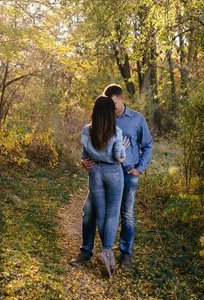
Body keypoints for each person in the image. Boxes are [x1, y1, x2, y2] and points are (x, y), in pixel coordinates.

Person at [70, 84, 153, 271]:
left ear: (121, 99)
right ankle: (86, 252)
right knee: (89, 211)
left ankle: (125, 256)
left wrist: (140, 168)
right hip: (103, 170)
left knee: (127, 214)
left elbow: (147, 145)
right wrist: (84, 162)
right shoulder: (102, 119)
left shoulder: (137, 119)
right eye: (109, 105)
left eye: (114, 104)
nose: (112, 109)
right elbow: (89, 147)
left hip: (127, 173)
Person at [80, 95, 126, 278]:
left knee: (101, 214)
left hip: (95, 173)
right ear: (109, 113)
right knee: (113, 213)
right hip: (113, 173)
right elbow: (119, 157)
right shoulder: (116, 131)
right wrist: (123, 148)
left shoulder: (86, 130)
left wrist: (84, 162)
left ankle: (107, 258)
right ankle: (107, 253)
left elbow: (84, 156)